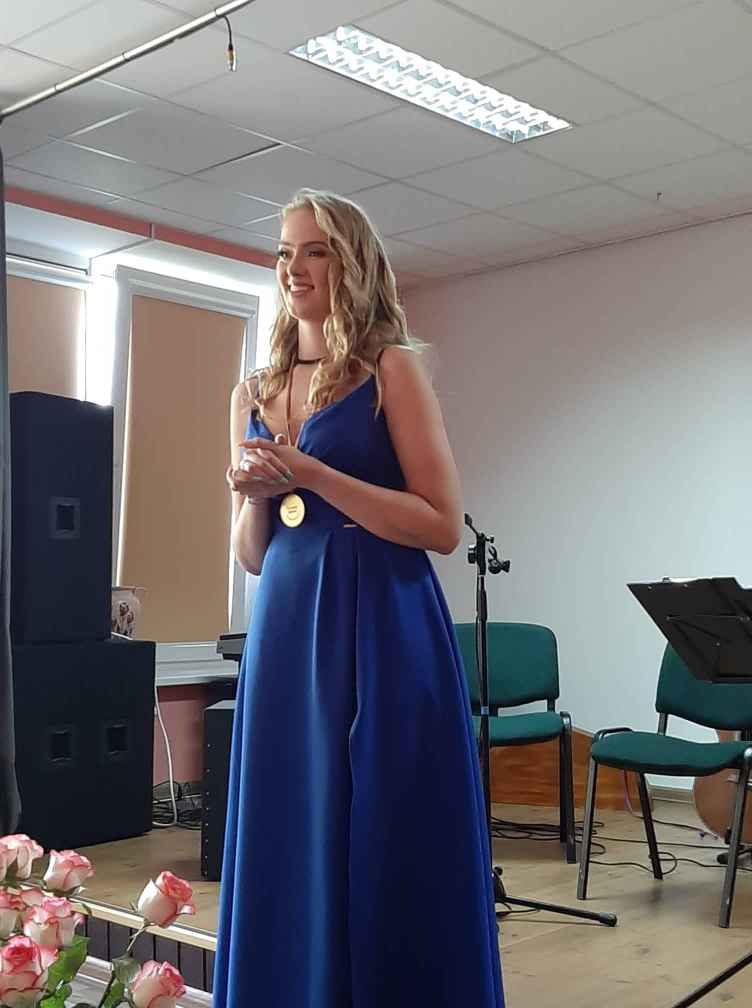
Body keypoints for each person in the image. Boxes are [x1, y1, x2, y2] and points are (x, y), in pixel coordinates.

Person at [212, 189, 504, 1008]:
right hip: (286, 627)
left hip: (383, 621)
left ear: (354, 264)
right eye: (284, 252)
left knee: (383, 819)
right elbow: (254, 555)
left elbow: (439, 523)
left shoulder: (389, 369)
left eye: (316, 251)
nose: (294, 268)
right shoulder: (252, 391)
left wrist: (311, 474)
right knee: (290, 816)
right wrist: (257, 495)